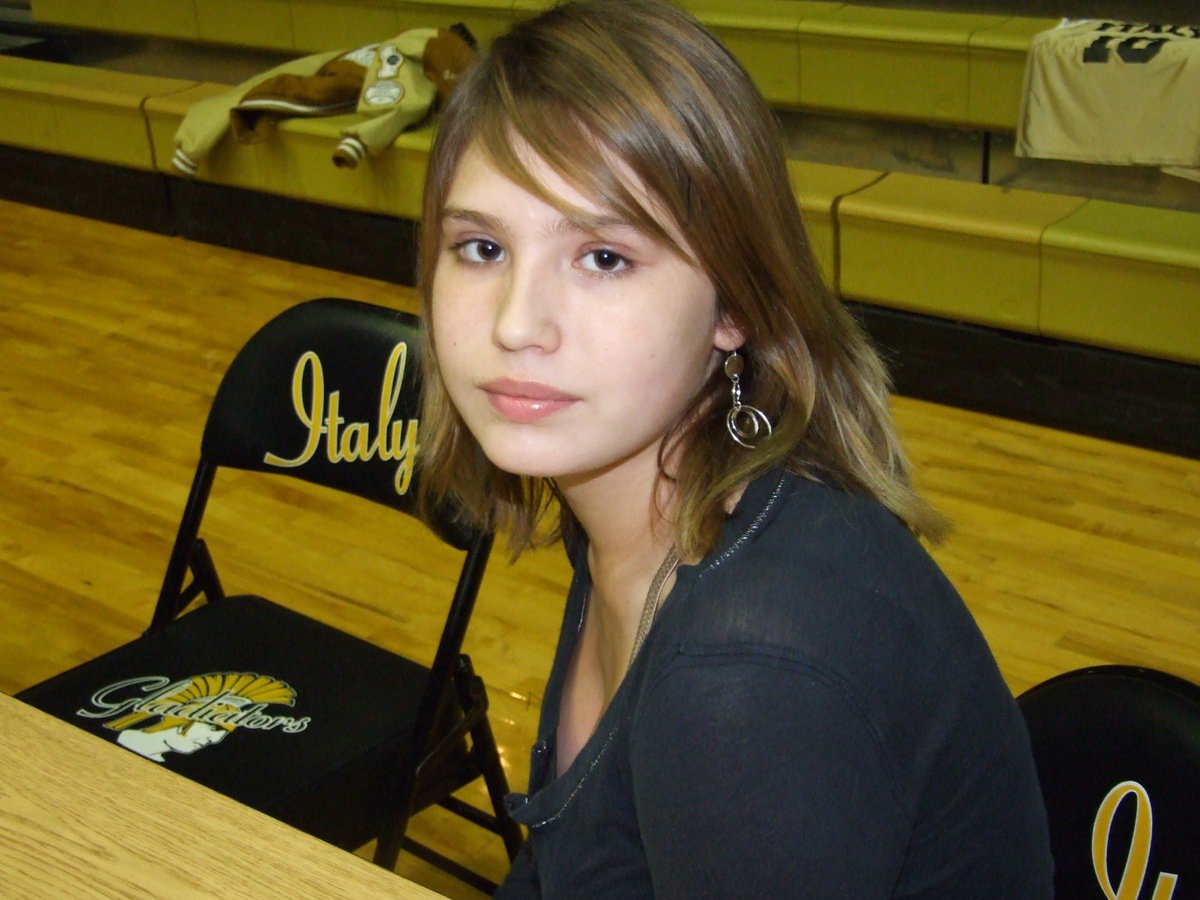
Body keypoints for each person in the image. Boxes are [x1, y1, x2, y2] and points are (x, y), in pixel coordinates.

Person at [416, 1, 1054, 895]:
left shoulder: (743, 679)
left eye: (604, 257)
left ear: (735, 305)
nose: (516, 324)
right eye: (482, 247)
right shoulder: (639, 498)